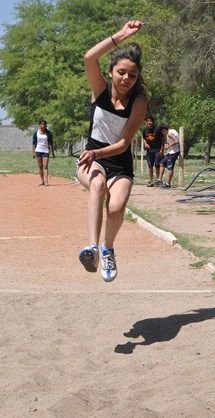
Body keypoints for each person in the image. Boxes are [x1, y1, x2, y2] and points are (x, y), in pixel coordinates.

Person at [76, 20, 147, 283]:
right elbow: (89, 57)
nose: (126, 79)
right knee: (97, 185)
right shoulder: (100, 91)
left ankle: (107, 249)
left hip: (118, 162)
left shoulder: (139, 102)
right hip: (91, 160)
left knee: (116, 208)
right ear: (111, 71)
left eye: (132, 76)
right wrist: (121, 35)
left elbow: (124, 143)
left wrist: (97, 154)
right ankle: (92, 249)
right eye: (121, 72)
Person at [141, 115, 164, 186]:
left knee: (157, 165)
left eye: (150, 121)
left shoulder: (157, 129)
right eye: (148, 121)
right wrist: (145, 144)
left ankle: (157, 181)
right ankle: (151, 181)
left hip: (157, 150)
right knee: (150, 165)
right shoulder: (145, 130)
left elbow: (163, 140)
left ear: (153, 122)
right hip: (149, 150)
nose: (149, 122)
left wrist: (161, 150)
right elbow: (144, 138)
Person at [32, 119, 55, 186]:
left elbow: (51, 143)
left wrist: (53, 153)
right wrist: (33, 152)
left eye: (44, 124)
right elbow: (33, 143)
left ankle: (46, 181)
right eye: (41, 124)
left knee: (45, 166)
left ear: (45, 125)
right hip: (38, 151)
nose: (43, 125)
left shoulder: (48, 133)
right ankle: (42, 181)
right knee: (40, 166)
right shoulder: (36, 133)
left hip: (46, 151)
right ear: (39, 125)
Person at [159, 124, 180, 188]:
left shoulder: (169, 134)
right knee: (162, 163)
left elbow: (176, 141)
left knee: (170, 167)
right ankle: (159, 180)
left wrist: (168, 146)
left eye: (162, 131)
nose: (163, 133)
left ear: (164, 130)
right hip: (170, 152)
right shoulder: (173, 130)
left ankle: (168, 184)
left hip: (173, 152)